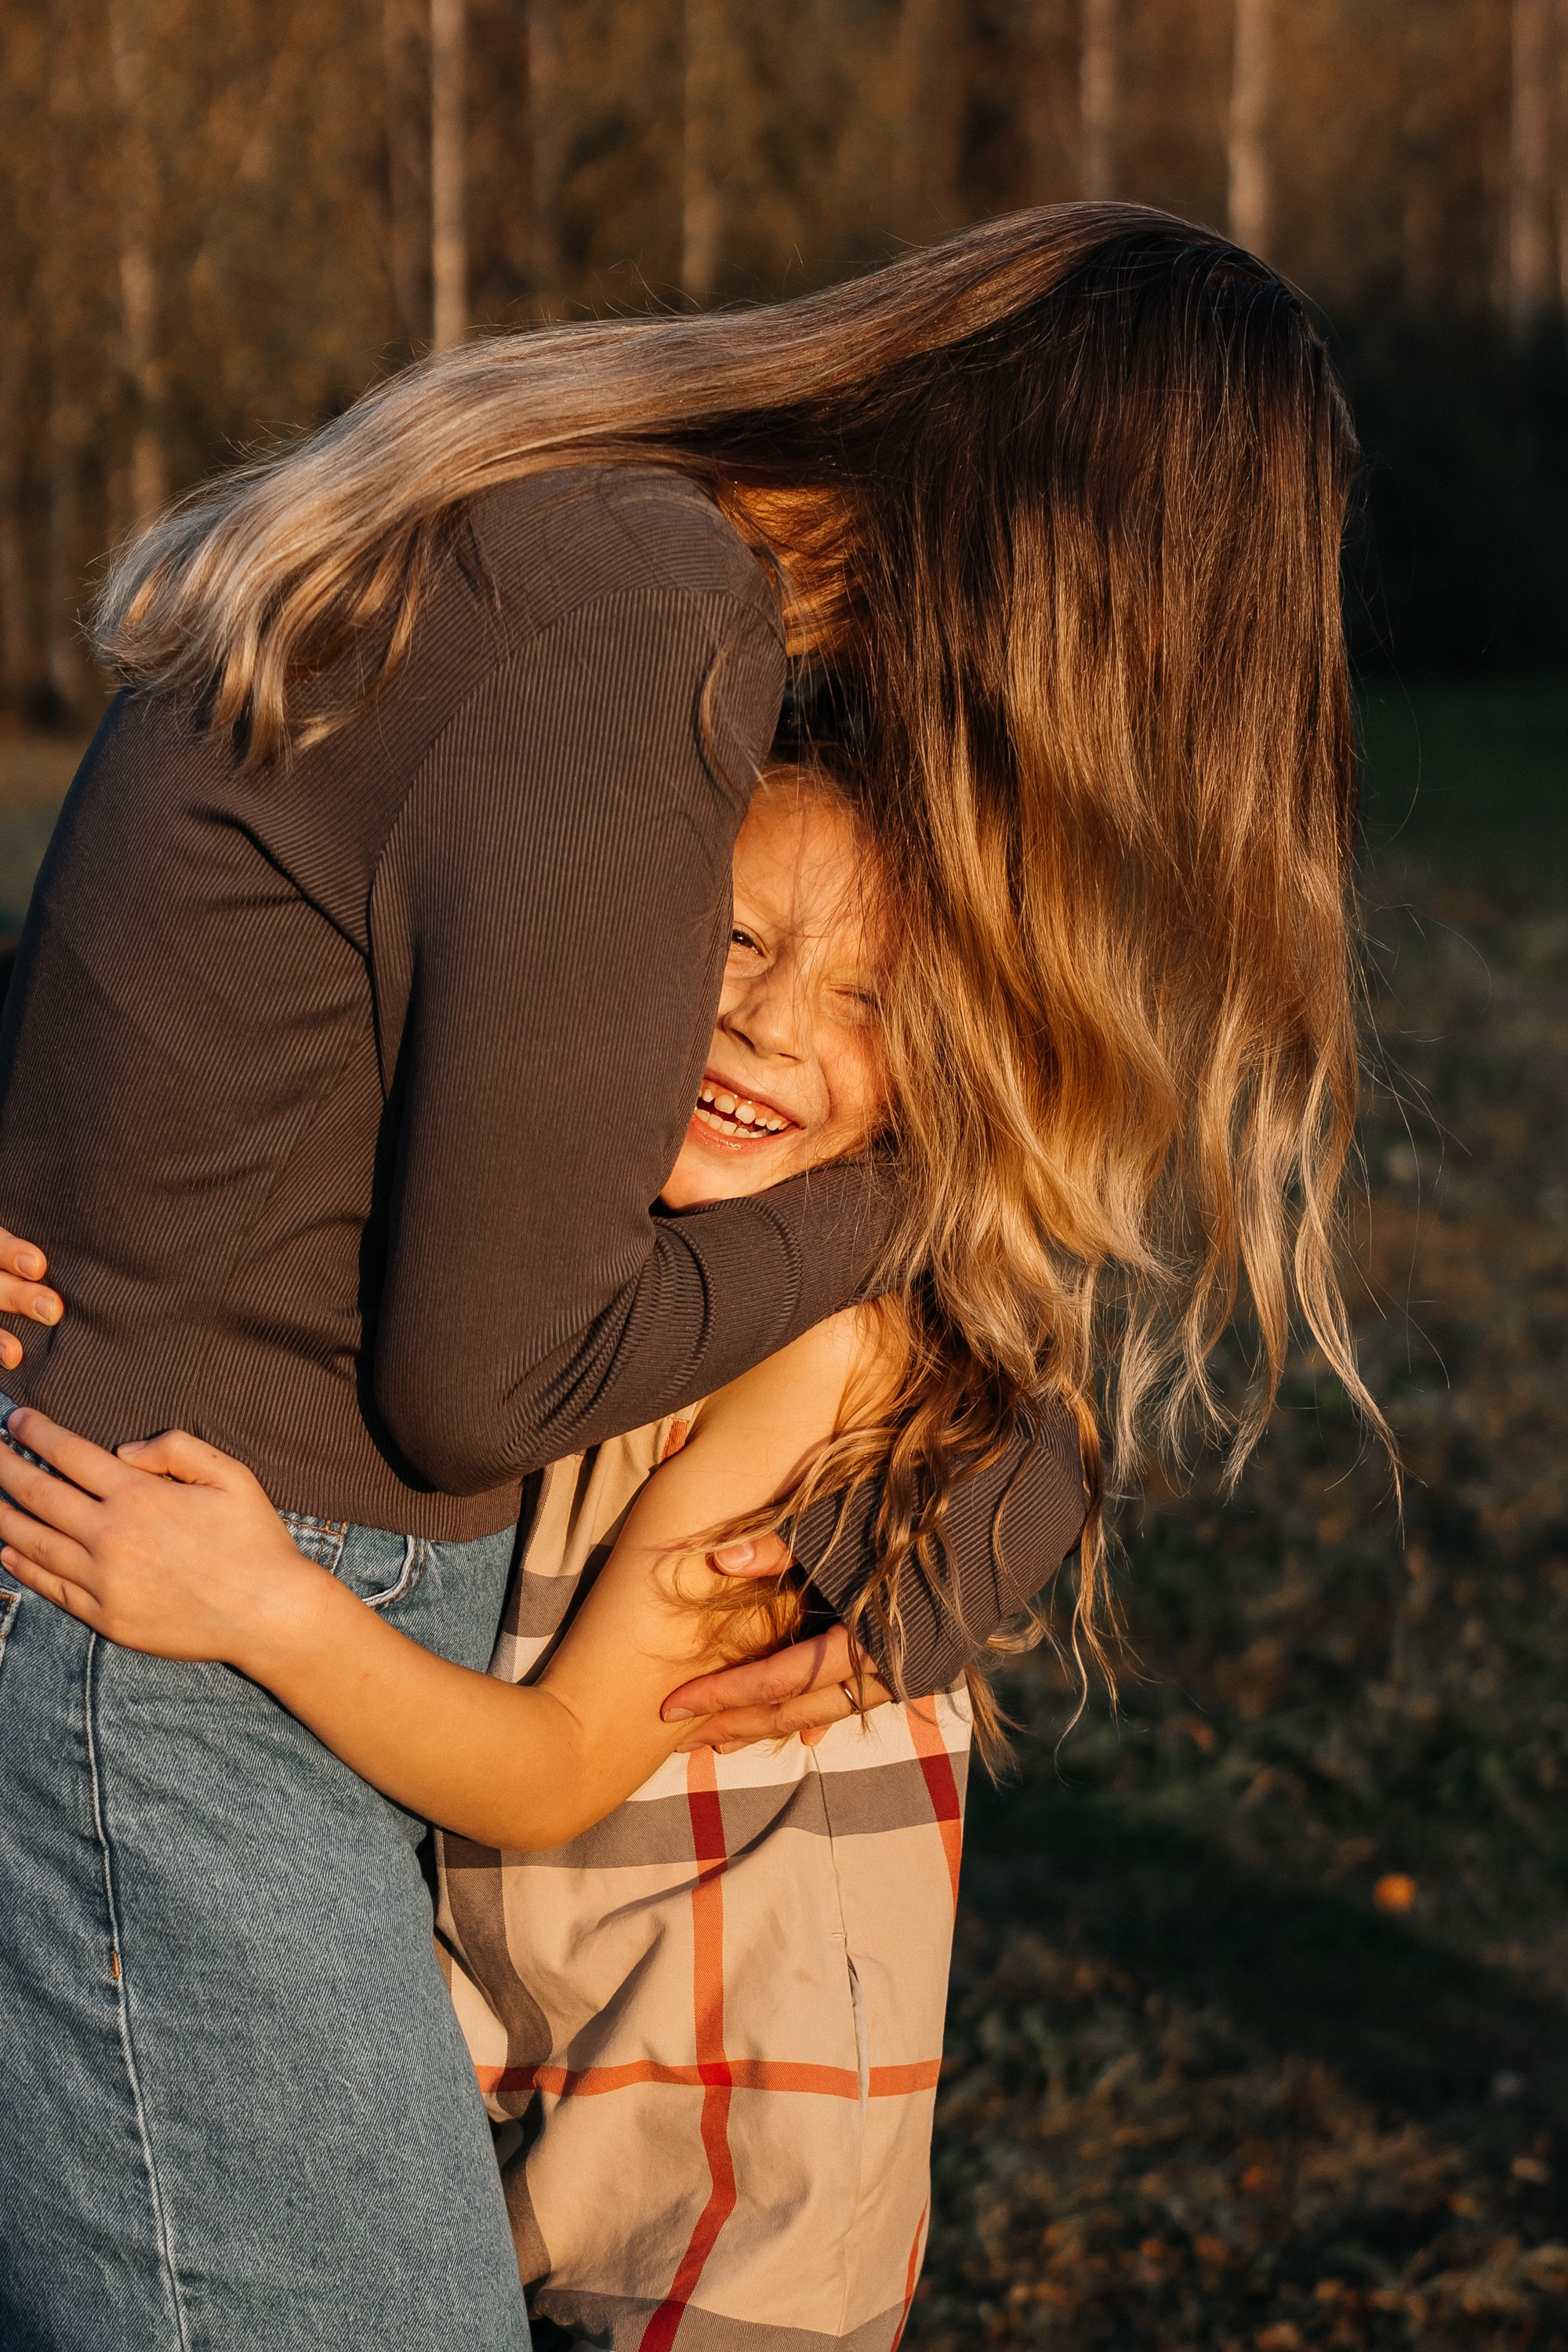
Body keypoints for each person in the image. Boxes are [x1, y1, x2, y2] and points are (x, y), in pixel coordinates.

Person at [0, 201, 1378, 2350]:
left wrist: (987, 1457)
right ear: (1087, 572)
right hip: (164, 1617)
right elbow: (489, 1371)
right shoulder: (631, 622)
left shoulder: (649, 606)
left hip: (227, 1628)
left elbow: (272, 974)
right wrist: (931, 1194)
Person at [0, 757, 1022, 2349]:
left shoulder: (819, 1349)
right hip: (530, 2072)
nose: (770, 1024)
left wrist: (264, 1606)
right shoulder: (572, 1249)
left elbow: (549, 1772)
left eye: (871, 997)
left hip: (721, 2170)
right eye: (736, 942)